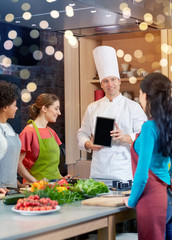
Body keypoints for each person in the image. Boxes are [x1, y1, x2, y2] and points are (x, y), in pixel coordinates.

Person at [77, 46, 147, 181]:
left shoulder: (133, 107)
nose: (110, 84)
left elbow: (144, 137)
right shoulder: (92, 108)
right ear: (101, 84)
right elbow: (82, 133)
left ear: (119, 81)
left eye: (113, 79)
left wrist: (124, 136)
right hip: (98, 171)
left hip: (124, 172)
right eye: (106, 81)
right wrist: (88, 144)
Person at [124, 72, 172, 240]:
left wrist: (131, 200)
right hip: (168, 198)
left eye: (139, 93)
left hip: (151, 200)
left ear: (145, 95)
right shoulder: (168, 125)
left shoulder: (149, 127)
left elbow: (142, 174)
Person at [18, 93, 70, 183]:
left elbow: (51, 165)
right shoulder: (28, 133)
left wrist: (62, 178)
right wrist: (35, 183)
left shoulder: (51, 132)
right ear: (44, 108)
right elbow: (17, 164)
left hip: (55, 185)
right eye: (56, 108)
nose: (59, 113)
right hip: (37, 189)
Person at [0, 80, 22, 188]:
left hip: (12, 190)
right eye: (14, 105)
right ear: (5, 107)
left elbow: (10, 167)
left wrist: (19, 185)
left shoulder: (9, 127)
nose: (17, 108)